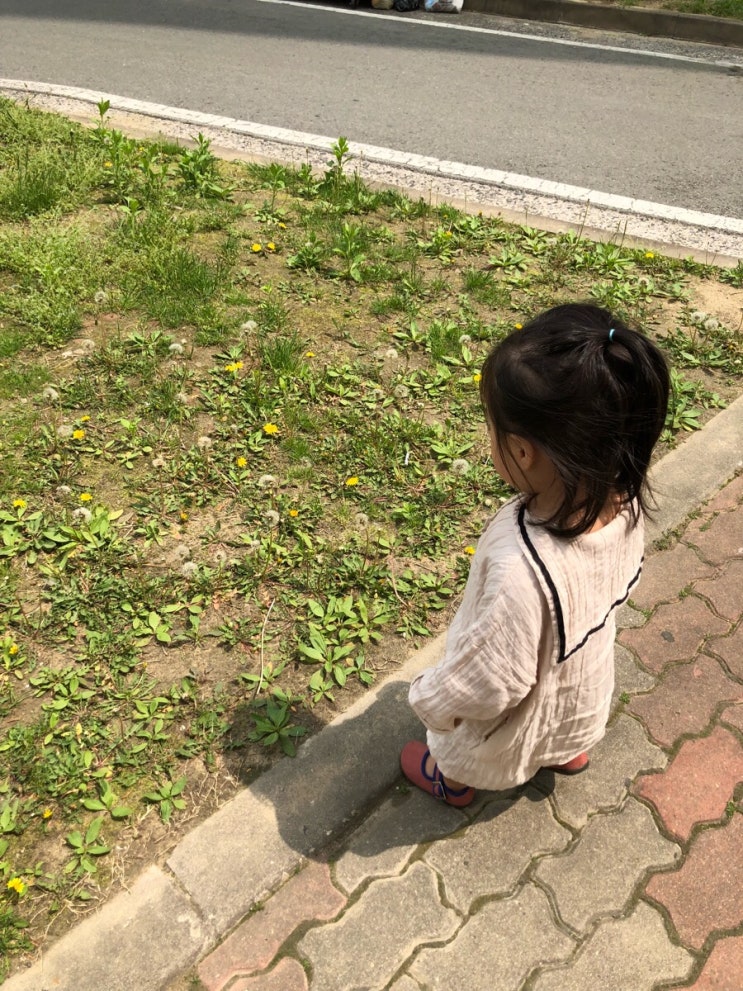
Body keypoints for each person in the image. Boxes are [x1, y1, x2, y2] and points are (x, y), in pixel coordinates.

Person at [401, 302, 670, 807]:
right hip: (582, 690)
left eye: (492, 430)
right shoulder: (625, 502)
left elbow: (490, 681)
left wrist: (431, 699)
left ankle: (452, 780)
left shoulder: (520, 565)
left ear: (523, 451)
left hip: (514, 721)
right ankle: (567, 751)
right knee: (568, 708)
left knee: (466, 745)